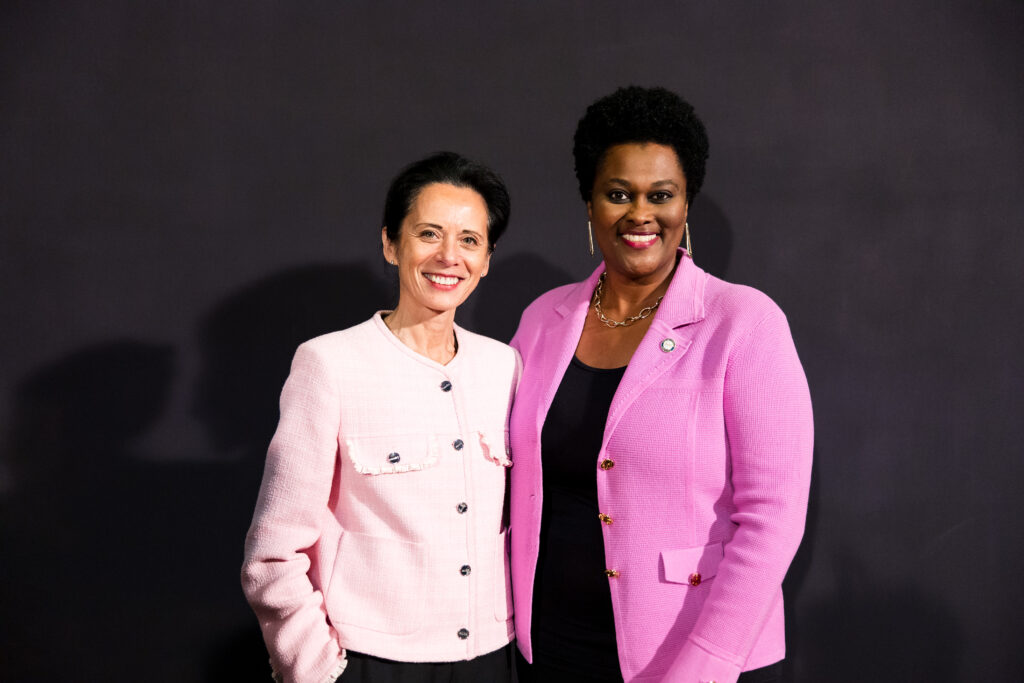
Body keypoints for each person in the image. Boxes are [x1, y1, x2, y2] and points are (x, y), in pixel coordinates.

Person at [509, 86, 813, 683]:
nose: (640, 214)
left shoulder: (743, 322)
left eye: (661, 195)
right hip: (552, 648)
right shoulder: (542, 320)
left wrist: (706, 665)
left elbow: (774, 518)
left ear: (686, 205)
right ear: (590, 203)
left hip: (686, 653)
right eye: (618, 194)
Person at [242, 152, 519, 682]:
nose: (448, 257)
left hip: (491, 656)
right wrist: (318, 671)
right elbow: (272, 552)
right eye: (429, 234)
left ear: (486, 259)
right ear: (391, 243)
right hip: (372, 662)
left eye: (469, 240)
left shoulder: (504, 366)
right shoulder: (329, 364)